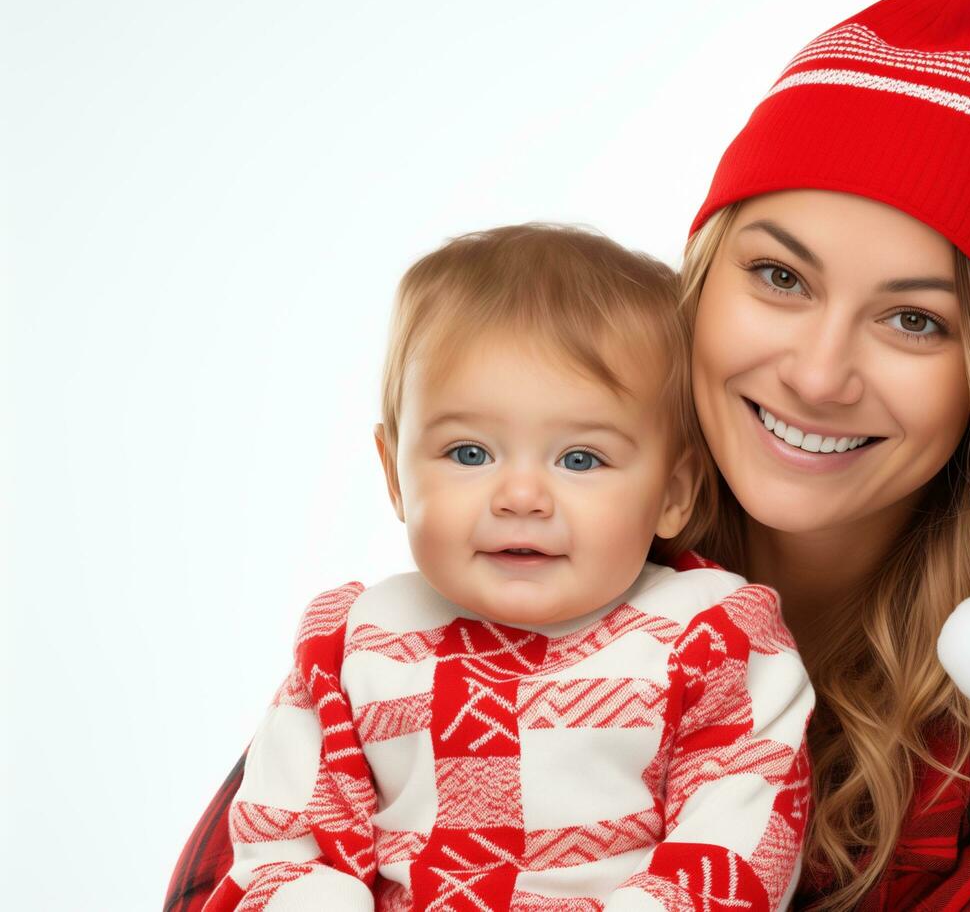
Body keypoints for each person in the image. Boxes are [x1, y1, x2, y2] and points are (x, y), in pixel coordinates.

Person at [169, 0, 970, 911]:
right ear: (700, 282)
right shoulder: (516, 567)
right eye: (779, 275)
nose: (818, 373)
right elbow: (242, 870)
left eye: (917, 319)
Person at [196, 225, 814, 911]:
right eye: (469, 454)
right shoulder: (352, 647)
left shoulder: (707, 636)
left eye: (580, 460)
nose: (521, 498)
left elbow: (736, 851)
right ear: (394, 476)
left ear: (673, 493)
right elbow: (284, 847)